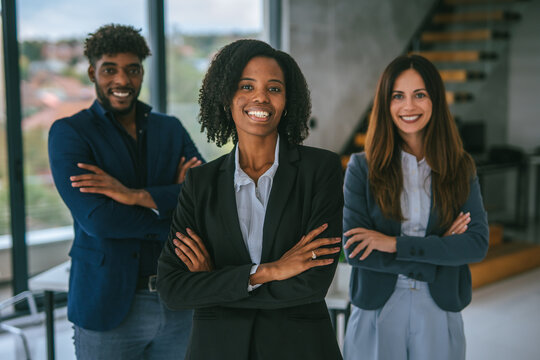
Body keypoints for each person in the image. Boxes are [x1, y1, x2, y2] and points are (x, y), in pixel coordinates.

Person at [157, 39, 344, 359]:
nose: (260, 97)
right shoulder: (200, 182)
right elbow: (173, 289)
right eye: (246, 86)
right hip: (218, 349)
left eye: (274, 88)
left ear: (288, 101)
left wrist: (215, 283)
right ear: (226, 96)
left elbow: (312, 283)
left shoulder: (320, 170)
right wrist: (270, 271)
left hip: (300, 348)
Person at [48, 24, 203, 359]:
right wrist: (171, 203)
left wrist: (134, 196)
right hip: (107, 308)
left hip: (176, 300)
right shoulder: (70, 134)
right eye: (110, 70)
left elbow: (205, 200)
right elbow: (100, 221)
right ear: (92, 72)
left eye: (132, 70)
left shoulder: (170, 128)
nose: (122, 81)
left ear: (141, 72)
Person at [342, 54, 489, 360]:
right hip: (377, 307)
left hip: (439, 304)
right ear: (386, 103)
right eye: (398, 96)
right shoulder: (361, 167)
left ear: (434, 99)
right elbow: (356, 250)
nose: (409, 106)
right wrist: (440, 250)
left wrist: (393, 243)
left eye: (419, 95)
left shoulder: (460, 167)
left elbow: (475, 244)